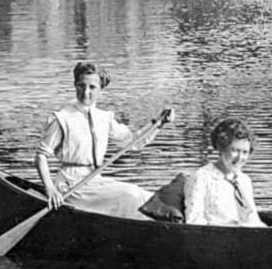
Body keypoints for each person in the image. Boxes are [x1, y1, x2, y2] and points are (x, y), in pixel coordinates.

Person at [34, 61, 172, 218]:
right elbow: (41, 156)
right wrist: (50, 189)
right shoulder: (61, 118)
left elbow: (132, 142)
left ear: (101, 90)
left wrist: (158, 123)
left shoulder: (104, 118)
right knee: (131, 194)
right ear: (75, 85)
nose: (86, 92)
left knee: (144, 196)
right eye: (81, 86)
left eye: (92, 87)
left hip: (94, 180)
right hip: (70, 185)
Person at [182, 118, 267, 226]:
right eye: (235, 150)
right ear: (221, 148)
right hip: (222, 237)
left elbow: (254, 220)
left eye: (245, 152)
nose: (240, 158)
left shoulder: (244, 180)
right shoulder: (202, 177)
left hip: (252, 234)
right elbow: (194, 222)